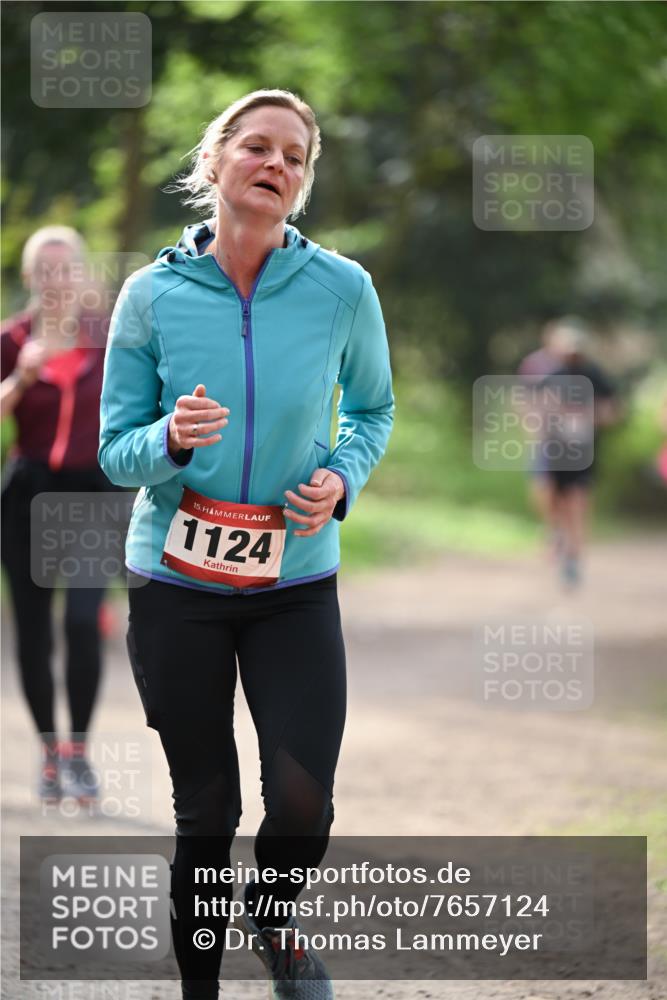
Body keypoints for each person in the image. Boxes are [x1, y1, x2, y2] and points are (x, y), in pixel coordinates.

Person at [99, 89, 394, 1000]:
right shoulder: (151, 296)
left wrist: (342, 478)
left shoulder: (342, 289)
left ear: (302, 183)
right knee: (206, 813)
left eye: (294, 157)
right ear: (216, 160)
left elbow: (374, 410)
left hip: (295, 581)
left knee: (303, 800)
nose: (275, 165)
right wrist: (172, 443)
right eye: (257, 147)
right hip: (176, 583)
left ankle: (276, 919)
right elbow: (116, 452)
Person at [1, 226, 110, 801]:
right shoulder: (12, 337)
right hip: (29, 494)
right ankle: (49, 754)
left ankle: (79, 753)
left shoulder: (109, 337)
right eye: (43, 269)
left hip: (95, 495)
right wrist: (21, 373)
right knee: (35, 629)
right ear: (28, 278)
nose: (55, 279)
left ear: (82, 273)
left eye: (65, 267)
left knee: (81, 621)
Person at [536, 321, 619, 587]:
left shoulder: (596, 375)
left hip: (584, 451)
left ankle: (574, 557)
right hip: (557, 450)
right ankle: (559, 537)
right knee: (555, 499)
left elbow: (613, 410)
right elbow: (535, 410)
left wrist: (590, 416)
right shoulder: (552, 377)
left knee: (578, 501)